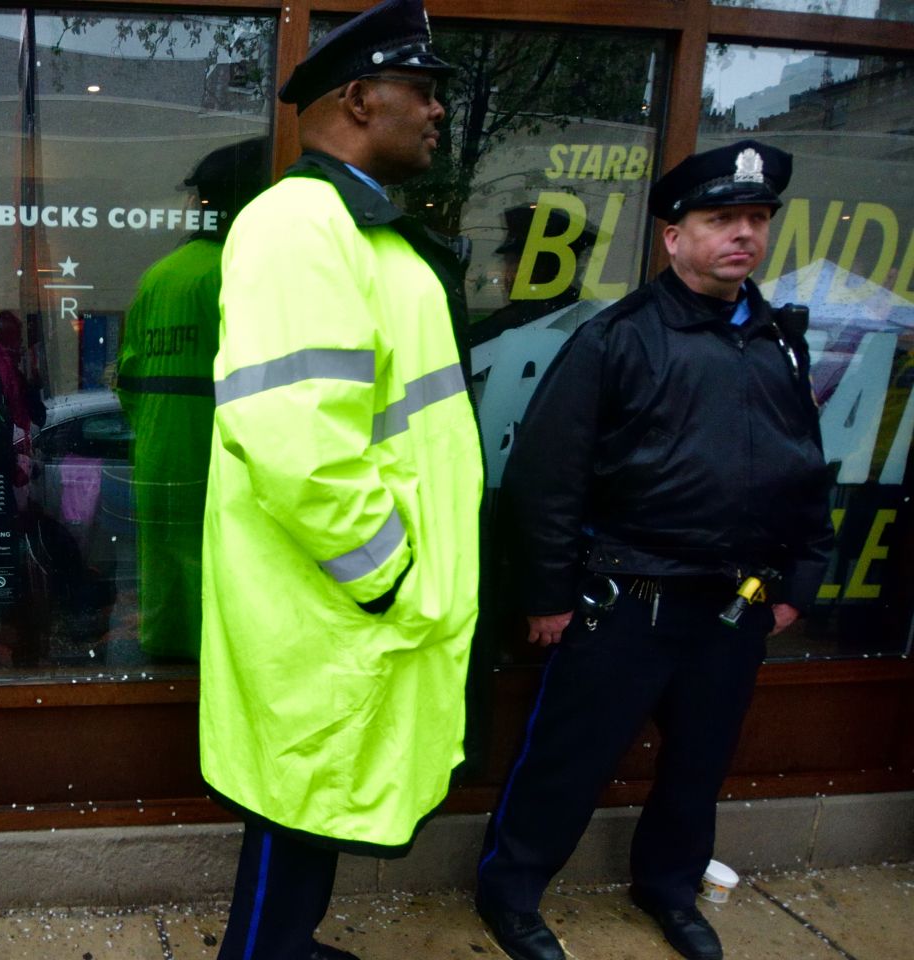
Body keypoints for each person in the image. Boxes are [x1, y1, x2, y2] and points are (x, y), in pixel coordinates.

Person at [474, 141, 833, 960]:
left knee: (697, 769)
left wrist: (801, 578)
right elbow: (547, 478)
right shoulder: (618, 338)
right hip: (625, 602)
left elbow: (803, 462)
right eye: (720, 219)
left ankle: (669, 891)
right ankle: (512, 893)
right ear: (674, 237)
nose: (742, 234)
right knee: (566, 763)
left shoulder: (777, 339)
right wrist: (547, 596)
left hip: (732, 603)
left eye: (755, 219)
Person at [198, 1, 483, 957]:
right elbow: (297, 440)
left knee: (312, 815)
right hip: (332, 613)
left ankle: (287, 946)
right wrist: (386, 573)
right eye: (425, 91)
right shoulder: (298, 225)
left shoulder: (362, 232)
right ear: (360, 99)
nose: (439, 111)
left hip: (342, 616)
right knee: (296, 815)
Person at [115, 138, 268, 661]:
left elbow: (129, 380)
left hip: (157, 457)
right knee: (216, 574)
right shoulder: (239, 271)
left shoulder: (160, 275)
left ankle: (162, 661)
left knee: (160, 565)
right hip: (217, 458)